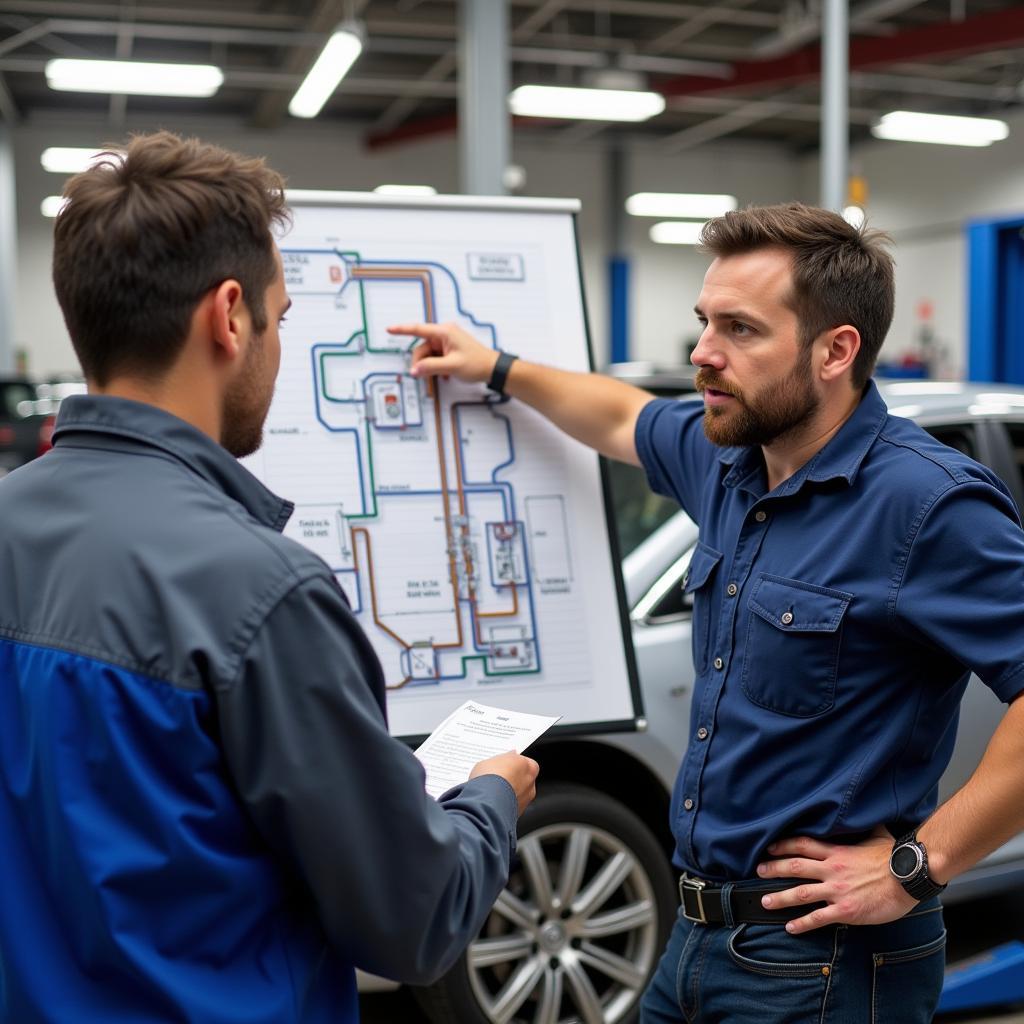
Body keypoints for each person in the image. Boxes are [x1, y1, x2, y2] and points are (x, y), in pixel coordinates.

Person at [389, 202, 1024, 1024]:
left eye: (741, 330)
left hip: (824, 962)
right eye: (703, 322)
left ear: (837, 350)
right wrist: (498, 368)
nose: (702, 353)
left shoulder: (924, 505)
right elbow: (619, 416)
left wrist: (916, 865)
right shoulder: (731, 462)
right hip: (693, 943)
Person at [0, 131, 538, 1023]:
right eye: (281, 319)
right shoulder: (260, 591)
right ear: (228, 316)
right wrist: (488, 797)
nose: (279, 348)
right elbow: (412, 920)